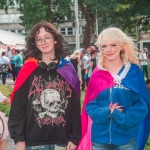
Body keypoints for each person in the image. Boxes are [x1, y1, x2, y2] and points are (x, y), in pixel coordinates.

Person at [8, 21, 81, 150]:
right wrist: (18, 139)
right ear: (35, 43)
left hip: (62, 141)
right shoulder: (28, 69)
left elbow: (75, 106)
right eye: (39, 39)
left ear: (55, 40)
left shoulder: (68, 69)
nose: (43, 42)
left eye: (47, 37)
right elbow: (18, 107)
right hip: (33, 141)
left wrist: (74, 137)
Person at [77, 27, 150, 150]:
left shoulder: (133, 72)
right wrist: (107, 111)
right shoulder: (97, 74)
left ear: (121, 46)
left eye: (113, 45)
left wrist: (121, 117)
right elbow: (89, 106)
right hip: (99, 140)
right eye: (104, 46)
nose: (108, 50)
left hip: (126, 140)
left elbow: (141, 107)